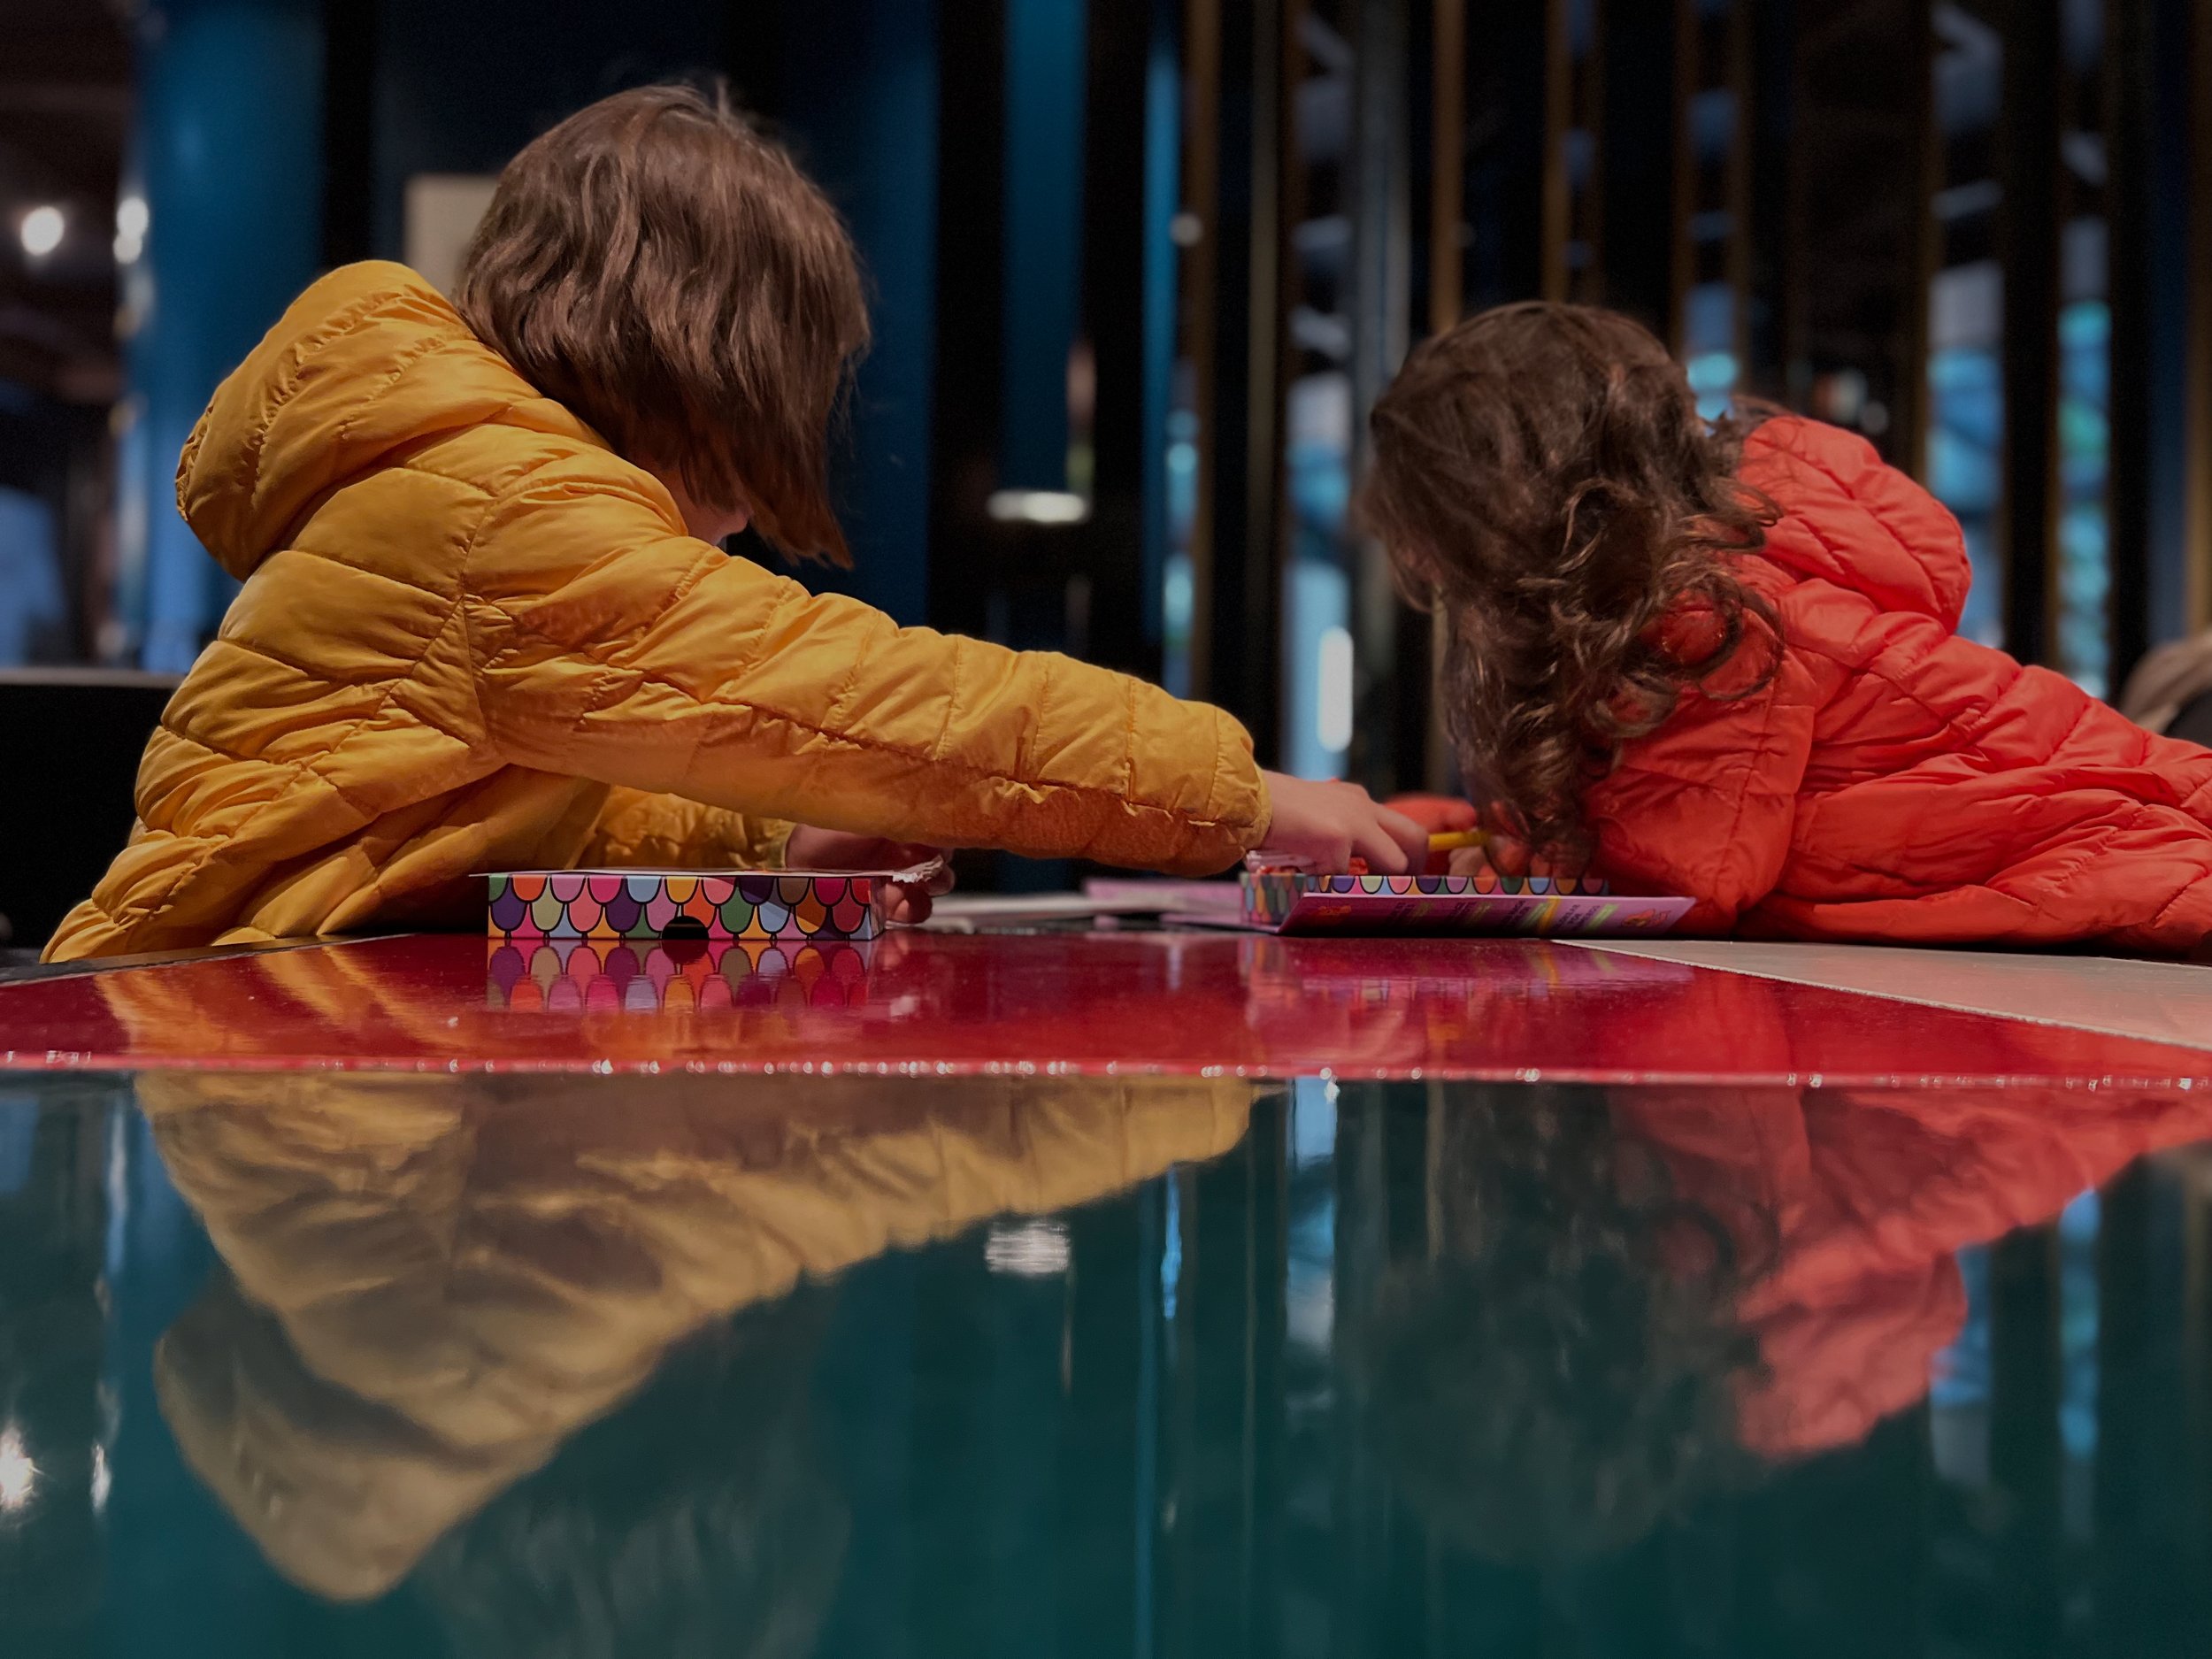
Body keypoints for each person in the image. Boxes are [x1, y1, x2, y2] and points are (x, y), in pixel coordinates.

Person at [46, 85, 1421, 963]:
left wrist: (770, 845)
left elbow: (475, 830)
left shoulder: (457, 487)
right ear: (704, 363)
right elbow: (894, 704)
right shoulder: (508, 511)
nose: (762, 494)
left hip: (230, 1042)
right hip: (195, 1059)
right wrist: (1243, 793)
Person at [1367, 303, 2212, 954]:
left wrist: (1508, 857)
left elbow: (1688, 878)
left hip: (2144, 857)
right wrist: (1428, 835)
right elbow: (1643, 811)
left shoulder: (1706, 620)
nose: (1421, 562)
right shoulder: (1688, 597)